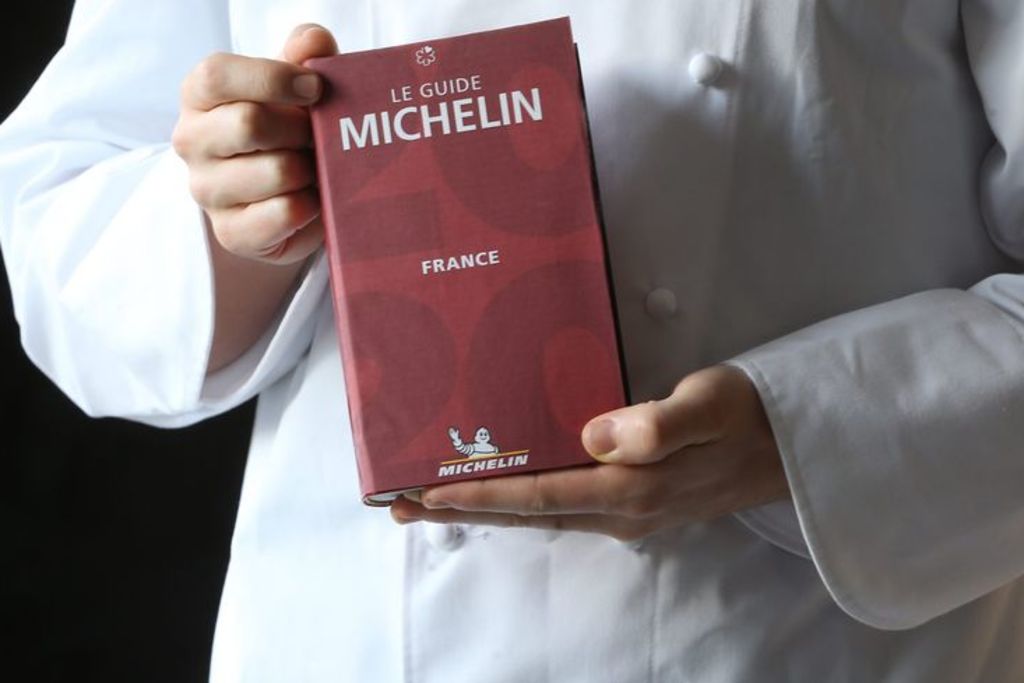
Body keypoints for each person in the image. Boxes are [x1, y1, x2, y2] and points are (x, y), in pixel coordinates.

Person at [1, 1, 1022, 680]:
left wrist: (803, 433)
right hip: (344, 637)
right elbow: (63, 216)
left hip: (785, 640)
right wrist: (235, 210)